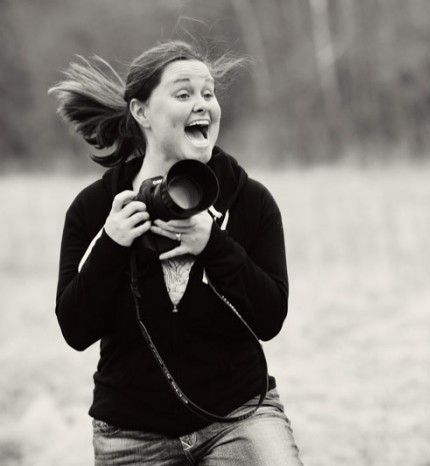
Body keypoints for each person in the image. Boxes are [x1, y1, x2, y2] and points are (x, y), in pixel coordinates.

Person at [49, 40, 302, 465]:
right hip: (130, 432)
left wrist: (214, 246)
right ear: (141, 112)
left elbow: (270, 317)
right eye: (184, 94)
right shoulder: (96, 209)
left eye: (208, 93)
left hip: (239, 416)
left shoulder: (250, 201)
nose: (203, 104)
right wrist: (112, 242)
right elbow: (75, 329)